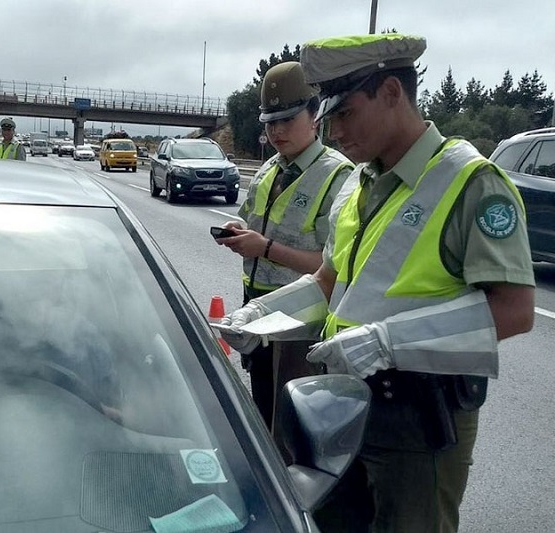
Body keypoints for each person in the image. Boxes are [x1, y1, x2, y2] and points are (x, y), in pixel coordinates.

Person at [220, 33, 535, 532]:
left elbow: (515, 311)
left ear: (391, 92)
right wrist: (259, 318)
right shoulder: (357, 183)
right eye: (328, 116)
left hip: (418, 414)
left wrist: (388, 342)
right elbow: (329, 282)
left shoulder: (471, 182)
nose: (334, 131)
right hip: (342, 403)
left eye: (344, 113)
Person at [215, 61, 353, 430]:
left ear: (315, 116)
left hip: (298, 325)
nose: (276, 131)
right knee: (264, 415)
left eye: (287, 120)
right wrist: (239, 230)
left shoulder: (338, 176)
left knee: (293, 430)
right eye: (270, 122)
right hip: (256, 315)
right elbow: (257, 224)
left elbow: (335, 269)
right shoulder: (270, 168)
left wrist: (265, 248)